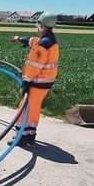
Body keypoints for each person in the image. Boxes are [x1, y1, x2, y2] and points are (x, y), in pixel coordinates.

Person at [9, 12, 60, 145]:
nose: (36, 28)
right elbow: (32, 40)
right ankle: (30, 133)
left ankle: (21, 136)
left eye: (37, 25)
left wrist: (26, 81)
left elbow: (35, 66)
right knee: (34, 107)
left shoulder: (43, 45)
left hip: (37, 82)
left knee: (24, 107)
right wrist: (19, 39)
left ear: (42, 26)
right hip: (45, 83)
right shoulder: (49, 40)